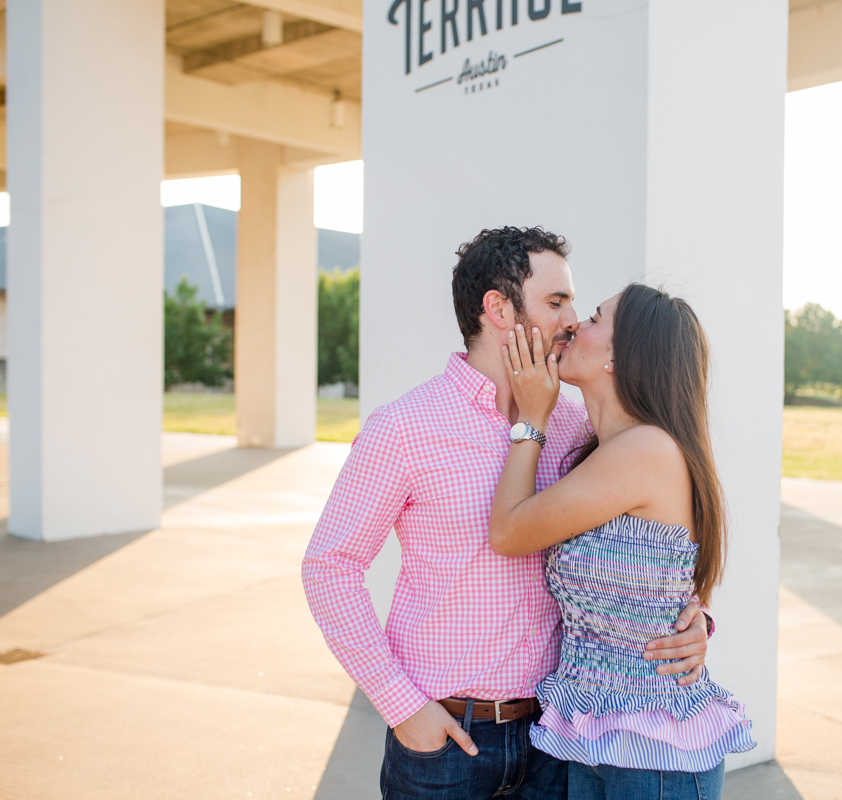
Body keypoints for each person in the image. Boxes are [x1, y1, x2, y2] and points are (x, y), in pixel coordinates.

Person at [301, 228, 713, 800]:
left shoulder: (579, 428)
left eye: (576, 304)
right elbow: (329, 568)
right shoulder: (404, 428)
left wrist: (689, 621)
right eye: (555, 302)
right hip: (446, 741)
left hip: (555, 739)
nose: (572, 318)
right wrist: (401, 707)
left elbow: (642, 550)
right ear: (498, 309)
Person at [488, 283, 755, 800]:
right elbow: (655, 581)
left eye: (592, 317)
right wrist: (696, 619)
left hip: (652, 754)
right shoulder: (605, 450)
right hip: (595, 738)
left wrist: (531, 418)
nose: (572, 325)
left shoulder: (645, 450)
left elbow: (508, 532)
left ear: (619, 354)